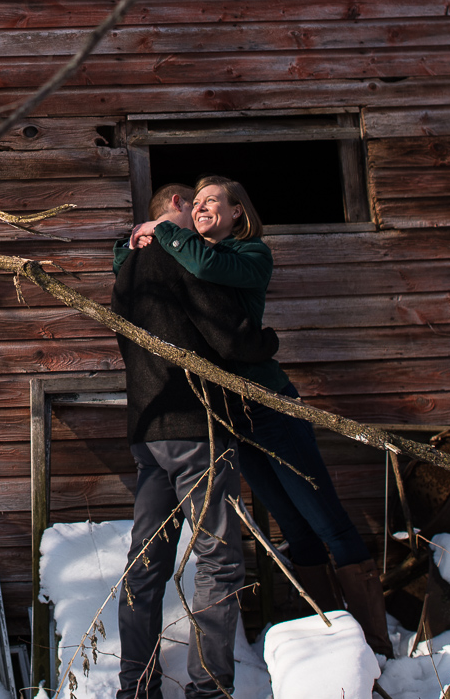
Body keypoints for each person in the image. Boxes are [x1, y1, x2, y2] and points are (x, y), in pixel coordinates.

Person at [134, 176, 393, 660]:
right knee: (291, 527)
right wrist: (145, 237)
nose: (203, 205)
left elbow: (205, 262)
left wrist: (162, 228)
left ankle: (376, 645)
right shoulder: (185, 250)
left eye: (214, 200)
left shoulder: (251, 255)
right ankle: (334, 638)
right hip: (230, 417)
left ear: (238, 214)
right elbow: (133, 270)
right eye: (198, 200)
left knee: (326, 521)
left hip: (269, 407)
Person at [110, 184, 278, 699]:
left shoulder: (127, 270)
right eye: (196, 205)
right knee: (218, 560)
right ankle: (208, 690)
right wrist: (266, 341)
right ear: (178, 209)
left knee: (146, 563)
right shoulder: (179, 258)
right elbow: (229, 334)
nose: (201, 215)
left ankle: (135, 689)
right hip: (196, 427)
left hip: (148, 431)